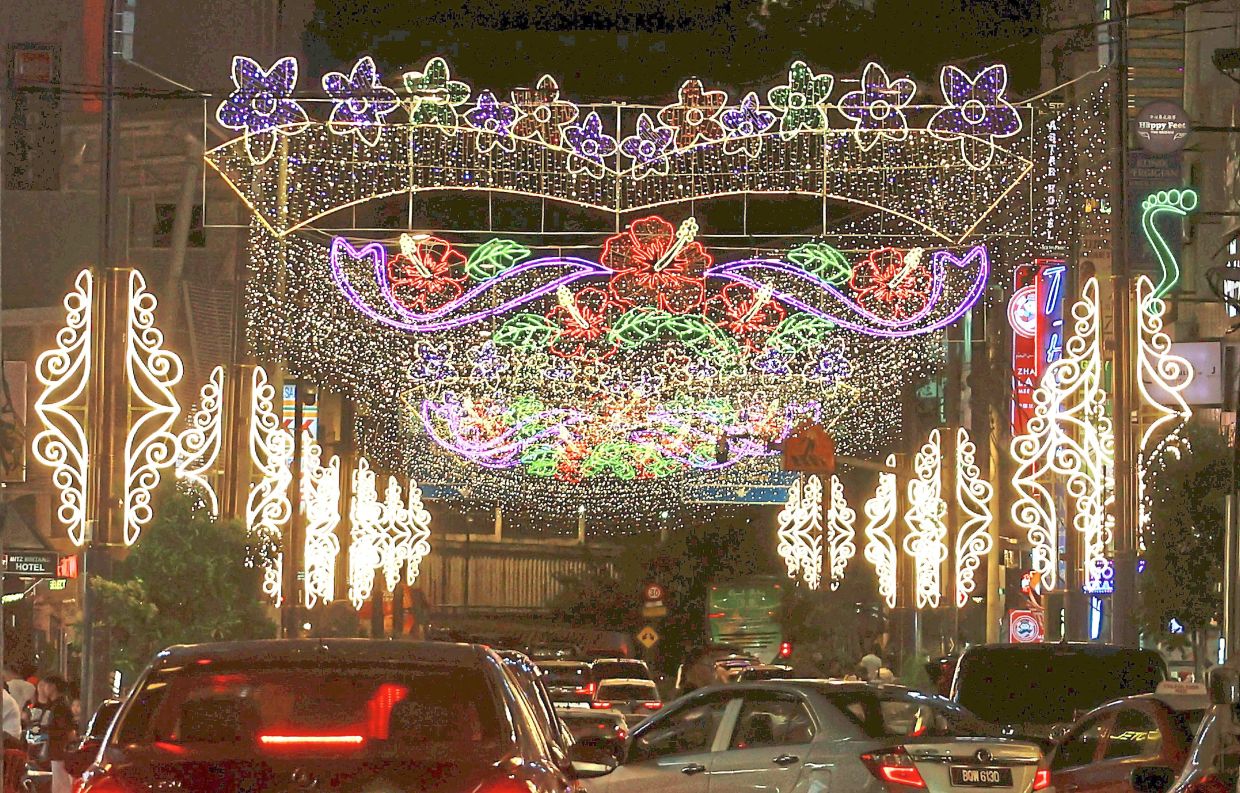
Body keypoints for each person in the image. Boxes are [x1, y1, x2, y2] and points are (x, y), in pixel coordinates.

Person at [35, 676, 75, 793]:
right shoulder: (58, 705)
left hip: (58, 749)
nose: (44, 689)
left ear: (53, 687)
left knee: (61, 784)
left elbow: (64, 728)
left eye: (46, 685)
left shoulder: (60, 706)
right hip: (57, 749)